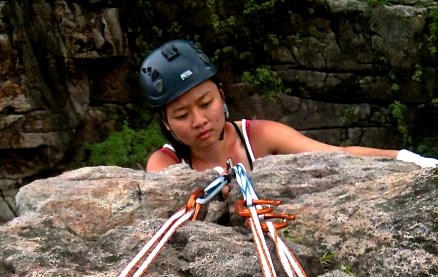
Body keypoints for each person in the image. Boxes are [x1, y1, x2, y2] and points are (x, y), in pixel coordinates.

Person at [139, 40, 438, 173]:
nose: (199, 120)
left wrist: (407, 158)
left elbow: (337, 155)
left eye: (206, 103)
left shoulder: (259, 136)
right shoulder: (166, 164)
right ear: (165, 122)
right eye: (182, 114)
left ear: (222, 94)